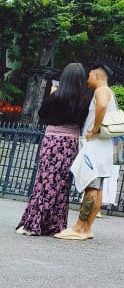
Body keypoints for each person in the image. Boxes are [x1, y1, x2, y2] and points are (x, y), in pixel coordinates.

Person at [16, 64, 89, 236]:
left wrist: (51, 95)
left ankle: (35, 221)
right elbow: (83, 121)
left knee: (44, 179)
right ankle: (55, 224)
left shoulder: (56, 95)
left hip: (52, 140)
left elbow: (42, 114)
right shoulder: (84, 100)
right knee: (62, 183)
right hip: (70, 142)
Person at [54, 64, 119, 242]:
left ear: (97, 76)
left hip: (96, 146)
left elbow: (102, 106)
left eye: (89, 76)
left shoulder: (101, 91)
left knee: (91, 187)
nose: (87, 79)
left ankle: (78, 228)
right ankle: (86, 228)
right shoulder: (108, 91)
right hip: (104, 146)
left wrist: (94, 130)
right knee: (97, 189)